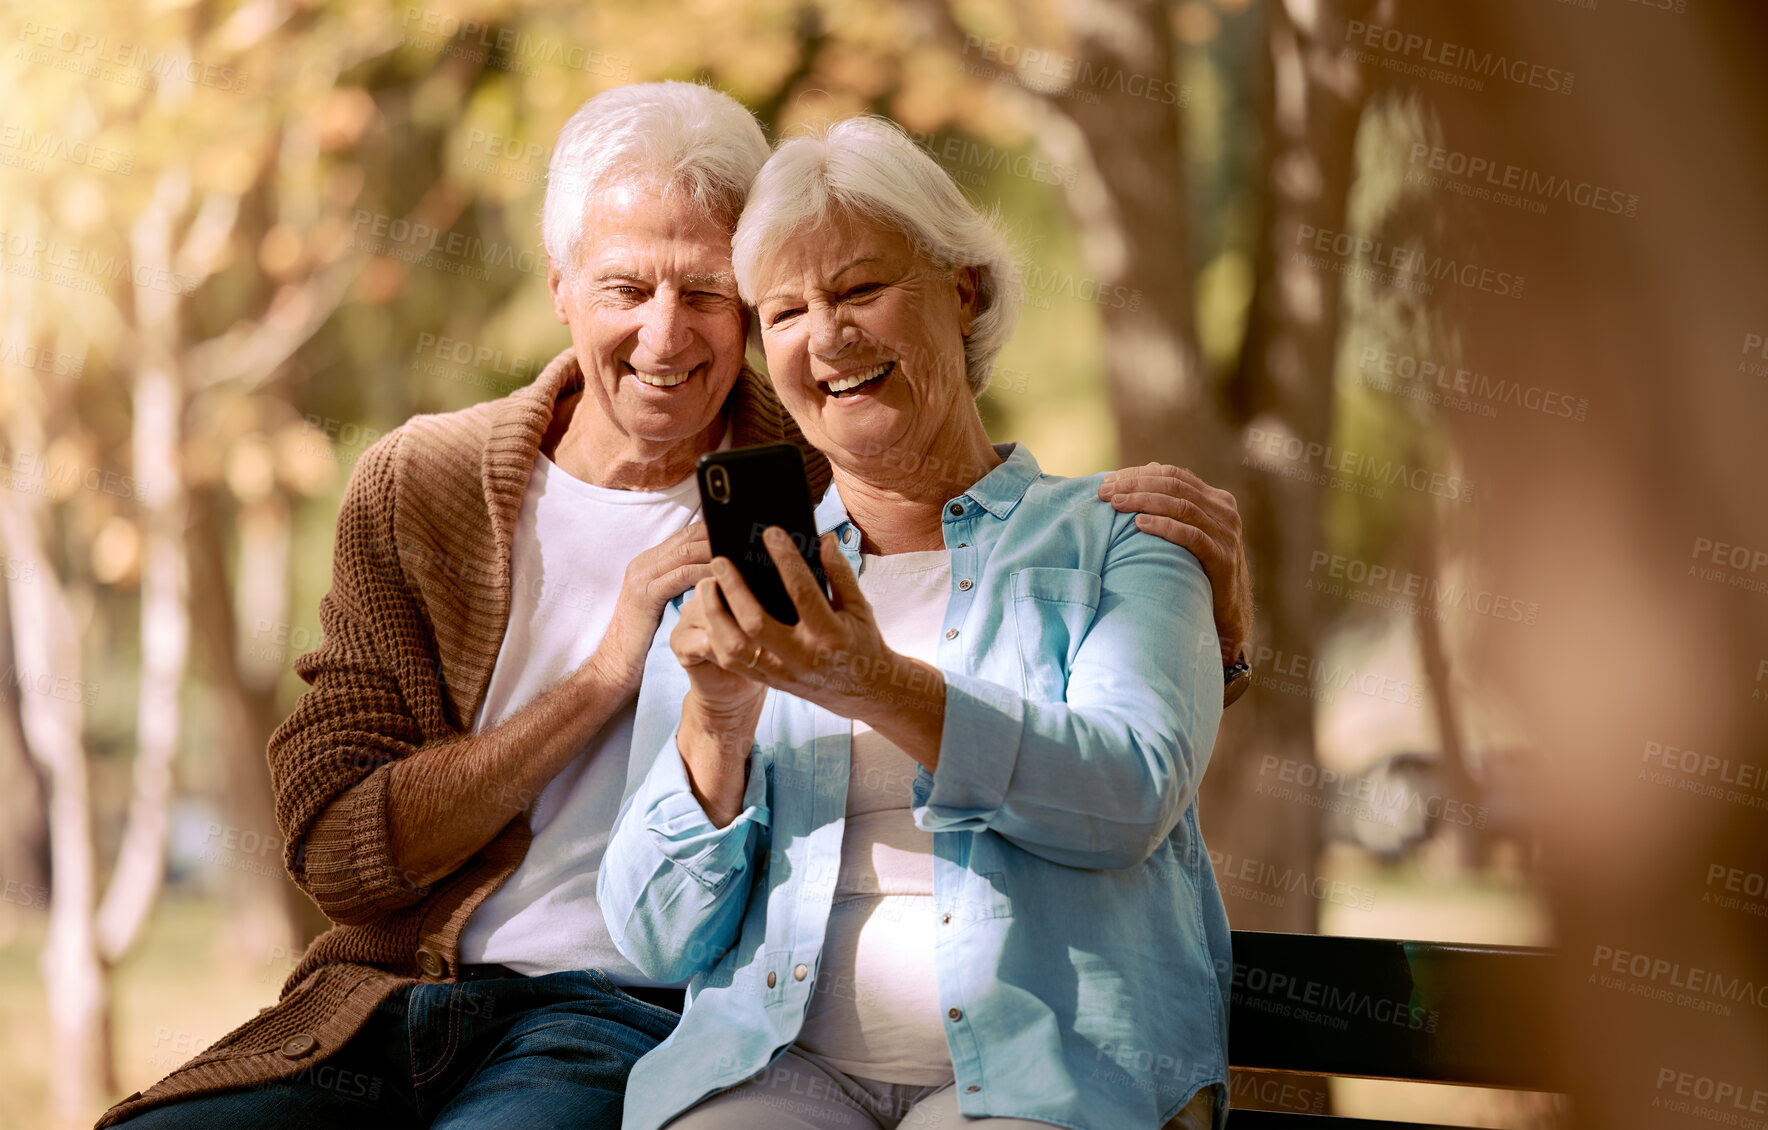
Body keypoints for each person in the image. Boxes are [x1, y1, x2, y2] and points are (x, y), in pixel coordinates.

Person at [100, 85, 1249, 1130]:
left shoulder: (811, 481)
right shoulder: (427, 485)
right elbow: (339, 852)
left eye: (708, 292)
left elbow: (1023, 601)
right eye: (625, 286)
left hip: (627, 1016)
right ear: (559, 289)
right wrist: (613, 675)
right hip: (401, 999)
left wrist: (1214, 627)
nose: (666, 334)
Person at [600, 116, 1232, 1130]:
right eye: (787, 310)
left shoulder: (1122, 536)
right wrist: (714, 720)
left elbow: (1127, 795)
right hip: (779, 1071)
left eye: (858, 289)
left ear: (963, 288)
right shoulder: (737, 588)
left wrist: (877, 684)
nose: (828, 337)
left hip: (1048, 1079)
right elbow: (655, 935)